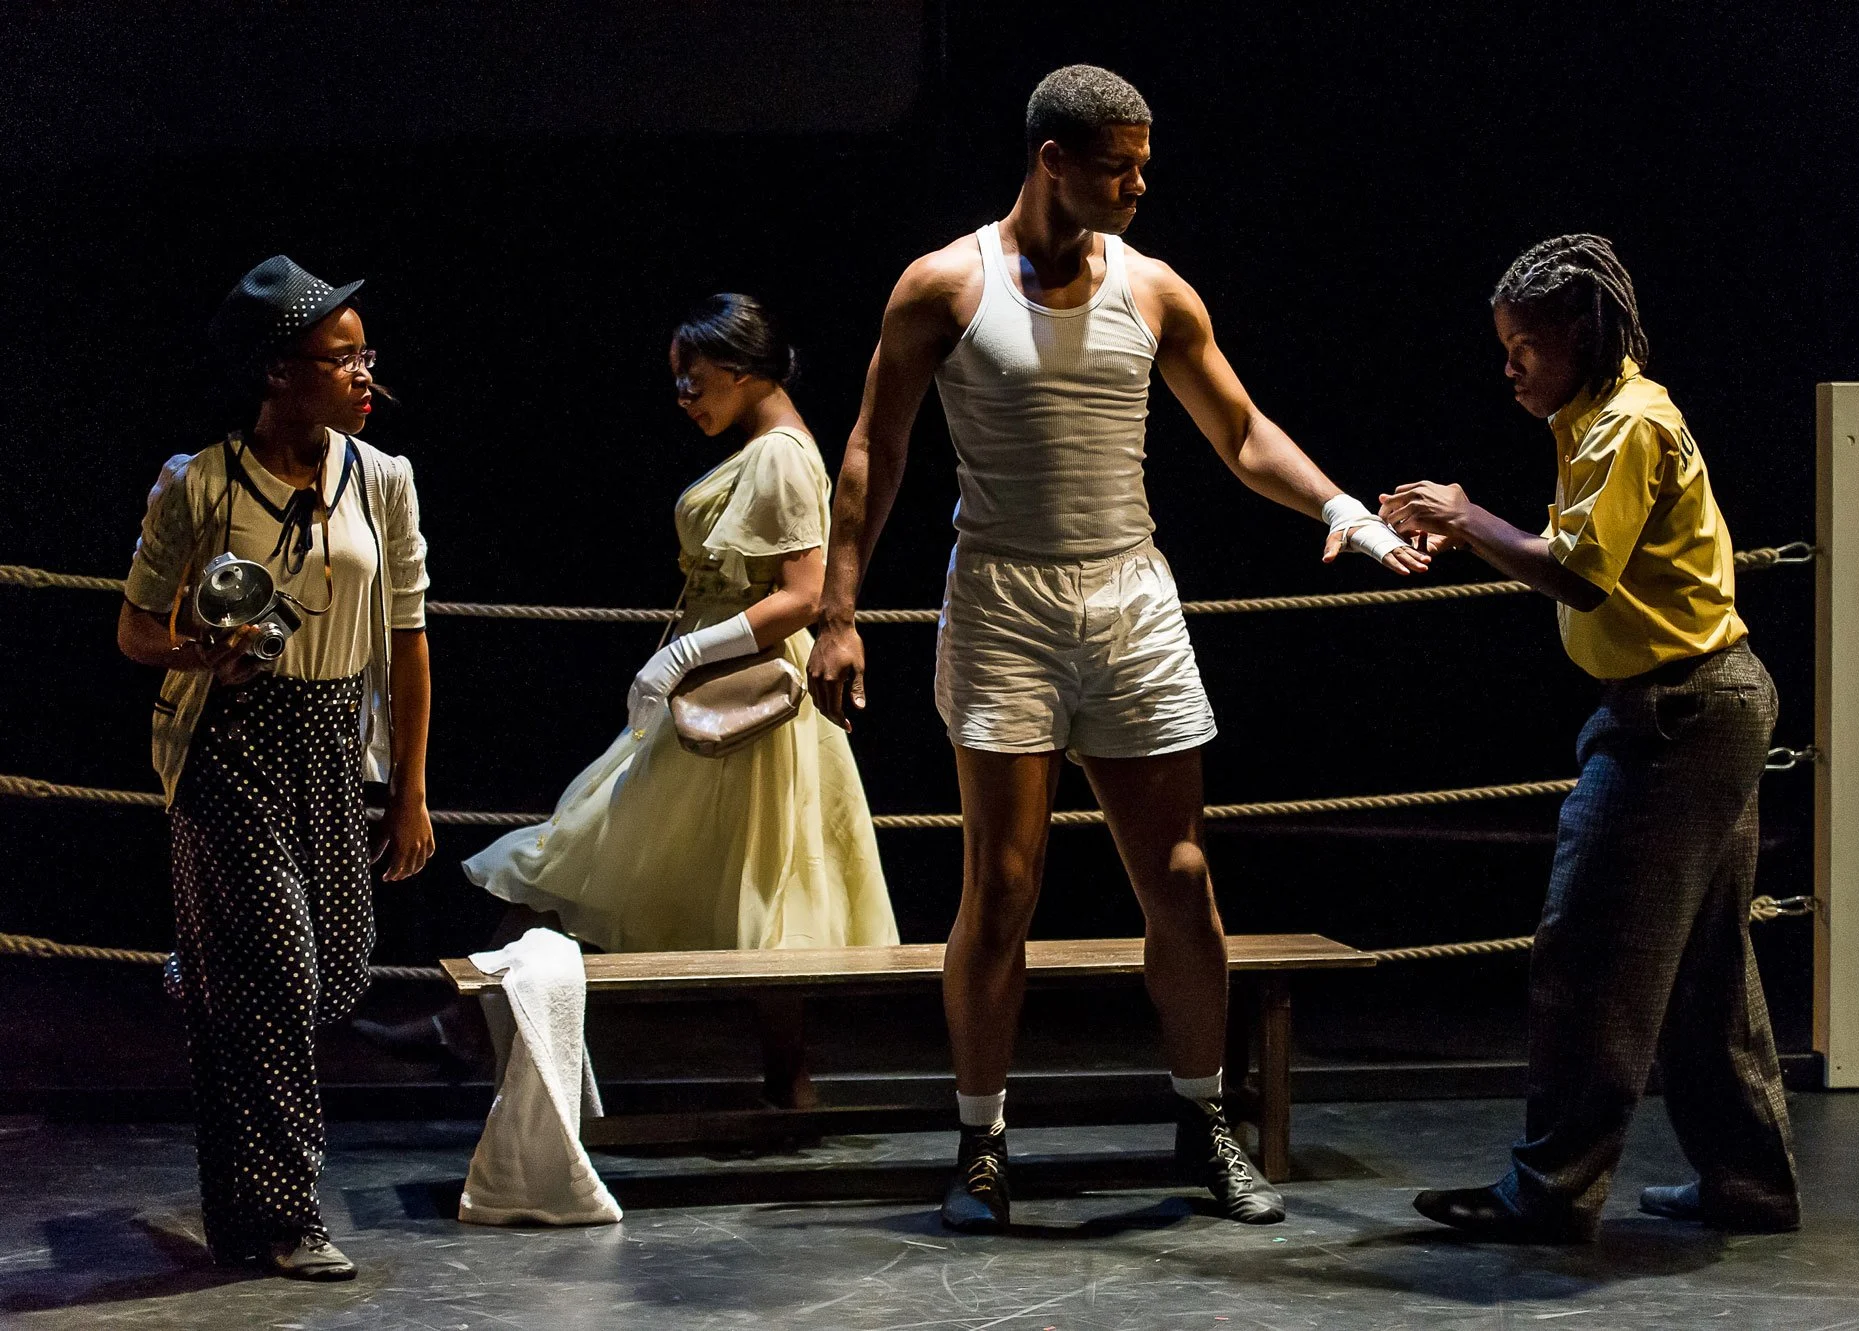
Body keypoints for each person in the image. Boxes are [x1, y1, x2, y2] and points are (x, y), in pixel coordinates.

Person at [806, 65, 1427, 1233]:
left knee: (1180, 878)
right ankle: (981, 1141)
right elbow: (872, 449)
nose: (1139, 185)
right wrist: (838, 612)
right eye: (1117, 167)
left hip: (1130, 597)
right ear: (1051, 160)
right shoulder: (944, 284)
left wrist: (1341, 507)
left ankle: (1201, 1117)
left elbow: (1239, 431)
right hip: (1003, 600)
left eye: (1143, 165)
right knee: (1000, 885)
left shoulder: (1152, 289)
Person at [1381, 234, 1800, 1242]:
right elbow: (1577, 558)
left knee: (1589, 947)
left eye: (1523, 345)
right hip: (1706, 700)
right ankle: (1749, 1178)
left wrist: (1467, 516)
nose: (1509, 365)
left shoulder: (1624, 425)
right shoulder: (1603, 417)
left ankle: (1552, 1188)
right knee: (1703, 958)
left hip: (1676, 714)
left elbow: (1578, 574)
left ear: (1579, 333)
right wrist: (1476, 532)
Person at [447, 293, 898, 1107]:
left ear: (739, 368)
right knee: (671, 857)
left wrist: (686, 653)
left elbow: (803, 593)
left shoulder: (780, 455)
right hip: (717, 684)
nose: (684, 398)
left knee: (620, 845)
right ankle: (784, 1079)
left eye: (693, 379)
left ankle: (463, 1025)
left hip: (745, 694)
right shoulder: (767, 447)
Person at [118, 256, 435, 1280]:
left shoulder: (381, 478)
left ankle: (205, 969)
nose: (363, 374)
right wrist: (195, 650)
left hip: (334, 742)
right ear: (276, 370)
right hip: (233, 742)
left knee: (332, 970)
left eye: (365, 354)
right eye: (340, 358)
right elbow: (135, 627)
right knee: (282, 975)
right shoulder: (200, 482)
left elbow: (409, 636)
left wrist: (409, 789)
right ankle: (292, 1213)